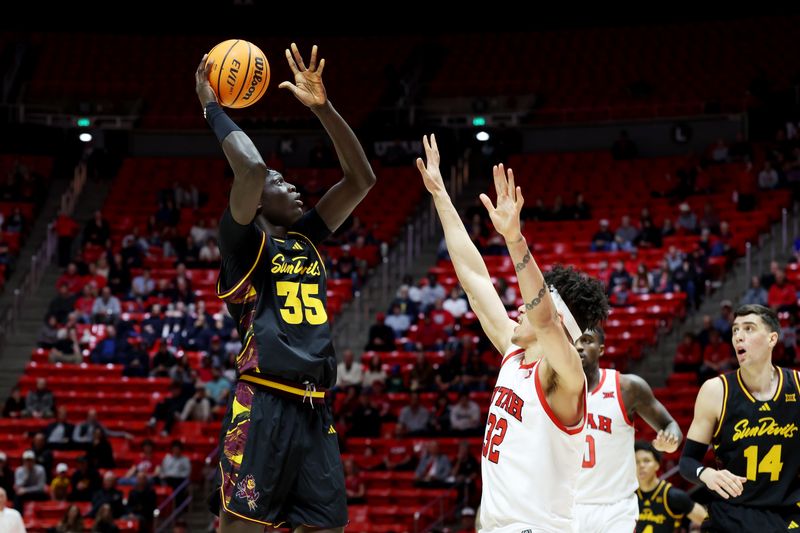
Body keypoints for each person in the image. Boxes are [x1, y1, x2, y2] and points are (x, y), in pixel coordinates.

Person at [197, 42, 376, 532]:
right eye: (281, 181)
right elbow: (251, 168)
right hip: (264, 404)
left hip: (315, 407)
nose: (292, 186)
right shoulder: (243, 245)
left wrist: (324, 108)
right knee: (243, 528)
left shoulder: (305, 239)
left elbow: (361, 179)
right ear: (255, 202)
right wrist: (211, 106)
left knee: (329, 526)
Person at [417, 135, 608, 532]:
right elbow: (473, 278)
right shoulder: (512, 351)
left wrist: (515, 239)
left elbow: (544, 321)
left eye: (531, 304)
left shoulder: (565, 376)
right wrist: (440, 194)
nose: (518, 307)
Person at [679, 304, 800, 530]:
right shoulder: (716, 391)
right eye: (735, 330)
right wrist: (706, 475)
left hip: (787, 513)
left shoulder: (798, 386)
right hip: (732, 514)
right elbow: (687, 462)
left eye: (749, 329)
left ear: (772, 339)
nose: (738, 337)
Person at [573, 326, 683, 532]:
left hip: (616, 508)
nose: (579, 346)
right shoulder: (555, 390)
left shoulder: (626, 388)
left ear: (602, 349)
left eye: (587, 340)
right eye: (574, 341)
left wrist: (670, 441)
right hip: (570, 505)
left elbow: (671, 425)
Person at [634, 441, 706, 532]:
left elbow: (707, 522)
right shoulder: (630, 495)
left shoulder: (673, 495)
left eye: (646, 461)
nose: (641, 465)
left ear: (657, 465)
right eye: (636, 462)